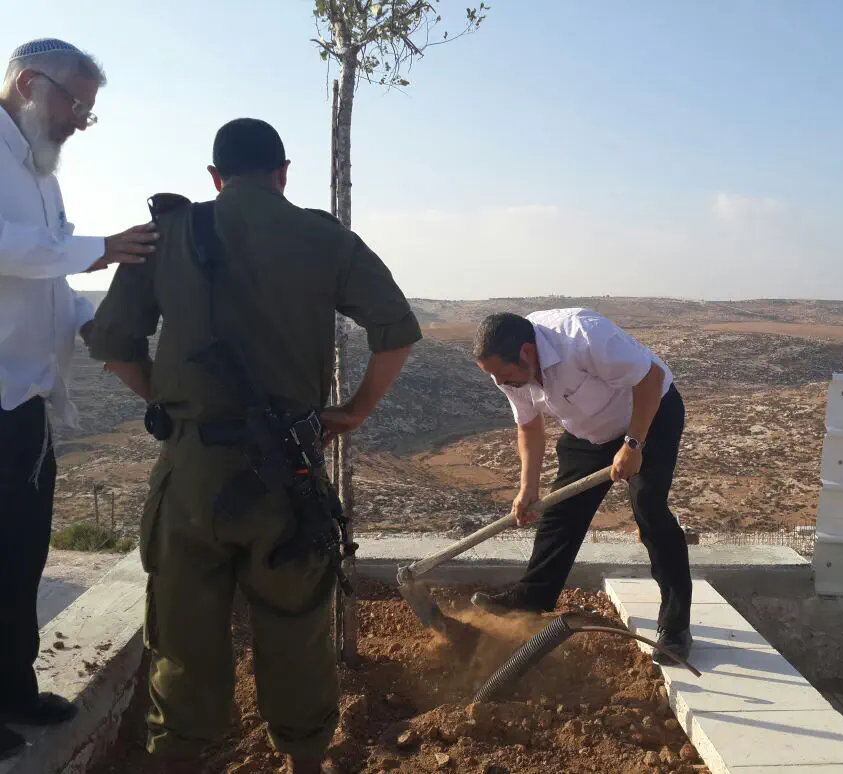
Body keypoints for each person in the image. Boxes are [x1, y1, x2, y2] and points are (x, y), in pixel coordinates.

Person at [86, 118, 421, 774]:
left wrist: (167, 402)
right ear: (283, 174)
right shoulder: (323, 236)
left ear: (215, 178)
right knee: (297, 631)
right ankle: (304, 759)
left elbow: (114, 346)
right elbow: (396, 330)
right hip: (287, 474)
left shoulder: (168, 233)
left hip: (192, 473)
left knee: (182, 637)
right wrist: (354, 410)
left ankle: (177, 756)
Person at [0, 38, 157, 761]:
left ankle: (12, 688)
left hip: (23, 402)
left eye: (88, 111)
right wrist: (102, 248)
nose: (80, 122)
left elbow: (49, 281)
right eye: (76, 104)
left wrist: (98, 327)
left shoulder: (38, 170)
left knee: (21, 554)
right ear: (29, 83)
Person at [470, 309, 694, 664]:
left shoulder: (582, 336)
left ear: (526, 352)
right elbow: (528, 426)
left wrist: (633, 444)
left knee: (649, 509)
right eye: (494, 376)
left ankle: (676, 627)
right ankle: (531, 598)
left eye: (505, 374)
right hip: (590, 432)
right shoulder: (508, 373)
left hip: (650, 414)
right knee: (560, 513)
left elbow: (650, 378)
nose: (500, 382)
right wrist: (528, 488)